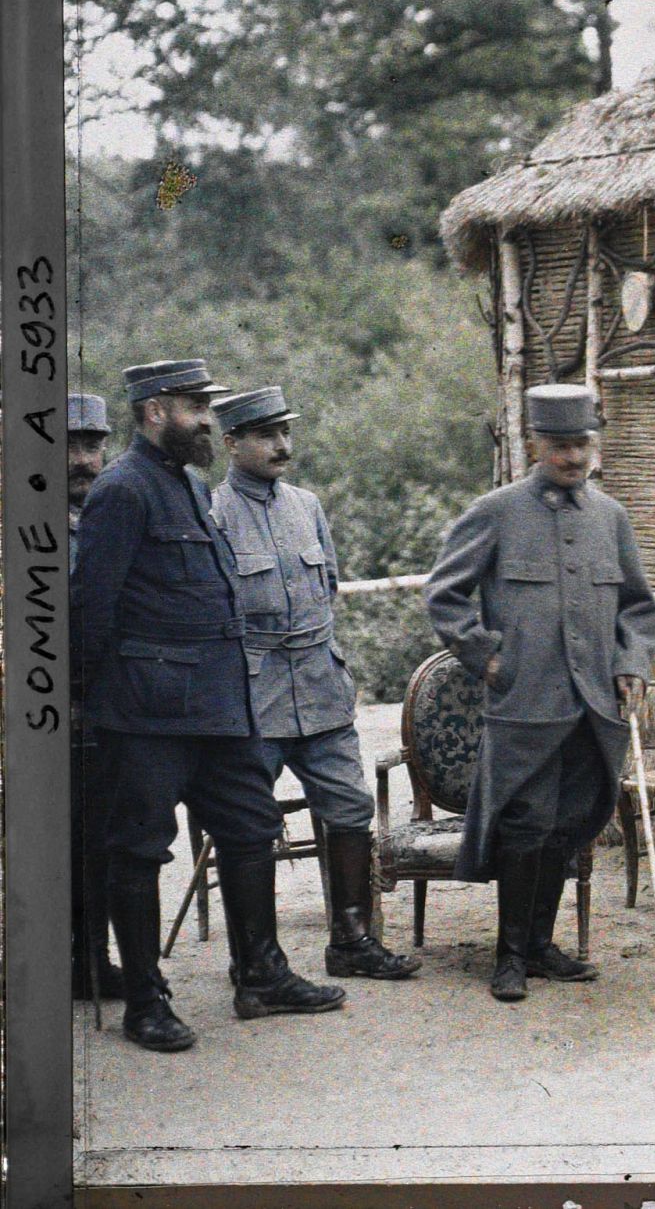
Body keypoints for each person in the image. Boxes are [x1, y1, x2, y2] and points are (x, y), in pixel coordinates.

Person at [73, 359, 346, 1053]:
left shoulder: (188, 485)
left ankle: (261, 973)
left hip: (220, 708)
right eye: (196, 405)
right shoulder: (122, 490)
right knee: (139, 851)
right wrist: (93, 702)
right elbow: (89, 612)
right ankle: (144, 1001)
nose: (206, 418)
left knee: (252, 828)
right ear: (158, 409)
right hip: (149, 714)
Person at [424, 383, 655, 1002]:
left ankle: (541, 946)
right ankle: (508, 956)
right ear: (534, 443)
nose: (573, 457)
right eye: (560, 446)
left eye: (582, 444)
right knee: (525, 825)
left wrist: (632, 661)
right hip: (526, 702)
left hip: (594, 708)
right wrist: (488, 657)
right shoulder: (496, 511)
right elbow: (444, 594)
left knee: (567, 825)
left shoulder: (610, 518)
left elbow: (636, 606)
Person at [209, 386, 420, 983]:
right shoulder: (213, 514)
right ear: (230, 443)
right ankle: (257, 960)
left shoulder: (308, 506)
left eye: (285, 433)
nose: (282, 446)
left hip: (321, 689)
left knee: (350, 808)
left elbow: (325, 590)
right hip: (254, 697)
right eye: (266, 436)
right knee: (248, 826)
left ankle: (352, 941)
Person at [67, 392, 121, 1002]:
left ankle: (93, 960)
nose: (84, 461)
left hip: (109, 710)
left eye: (93, 446)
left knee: (102, 841)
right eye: (70, 447)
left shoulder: (112, 514)